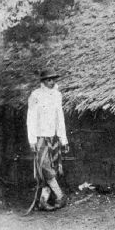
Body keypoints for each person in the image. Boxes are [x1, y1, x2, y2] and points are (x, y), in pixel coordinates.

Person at [26, 68, 69, 211]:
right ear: (43, 81)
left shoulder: (57, 95)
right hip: (40, 138)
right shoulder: (35, 95)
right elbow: (31, 119)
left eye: (53, 79)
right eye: (49, 80)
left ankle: (43, 201)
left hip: (53, 137)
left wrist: (63, 139)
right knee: (45, 168)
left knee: (53, 168)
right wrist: (32, 140)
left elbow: (60, 118)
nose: (52, 82)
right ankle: (60, 196)